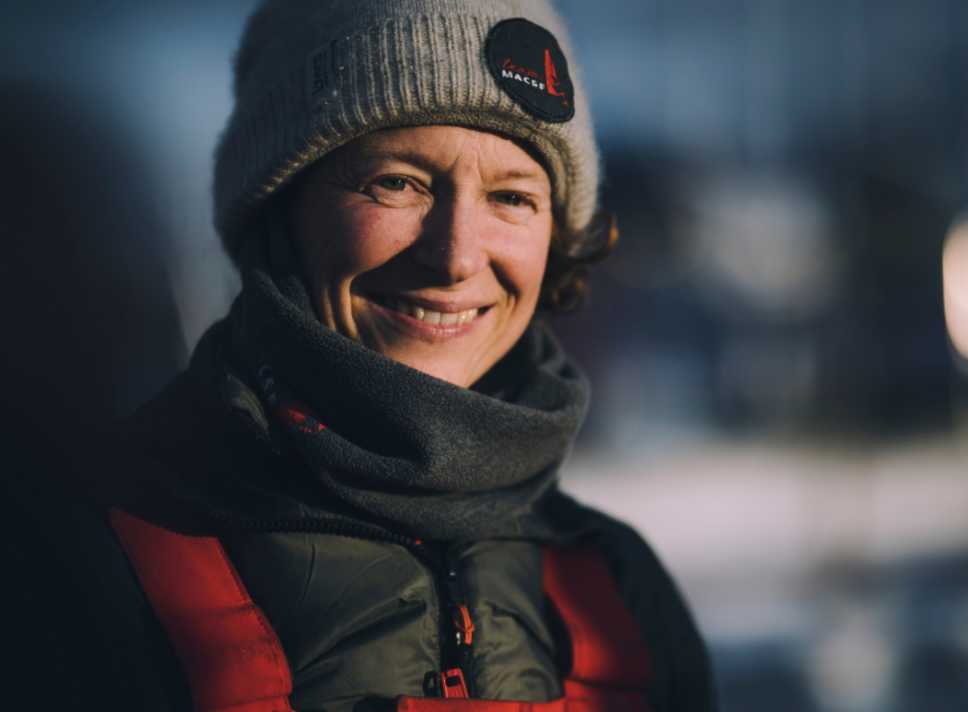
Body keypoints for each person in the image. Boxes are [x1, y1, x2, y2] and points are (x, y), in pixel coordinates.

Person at [97, 1, 715, 710]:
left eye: (511, 197)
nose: (455, 257)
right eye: (397, 182)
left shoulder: (615, 586)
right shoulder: (102, 552)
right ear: (280, 209)